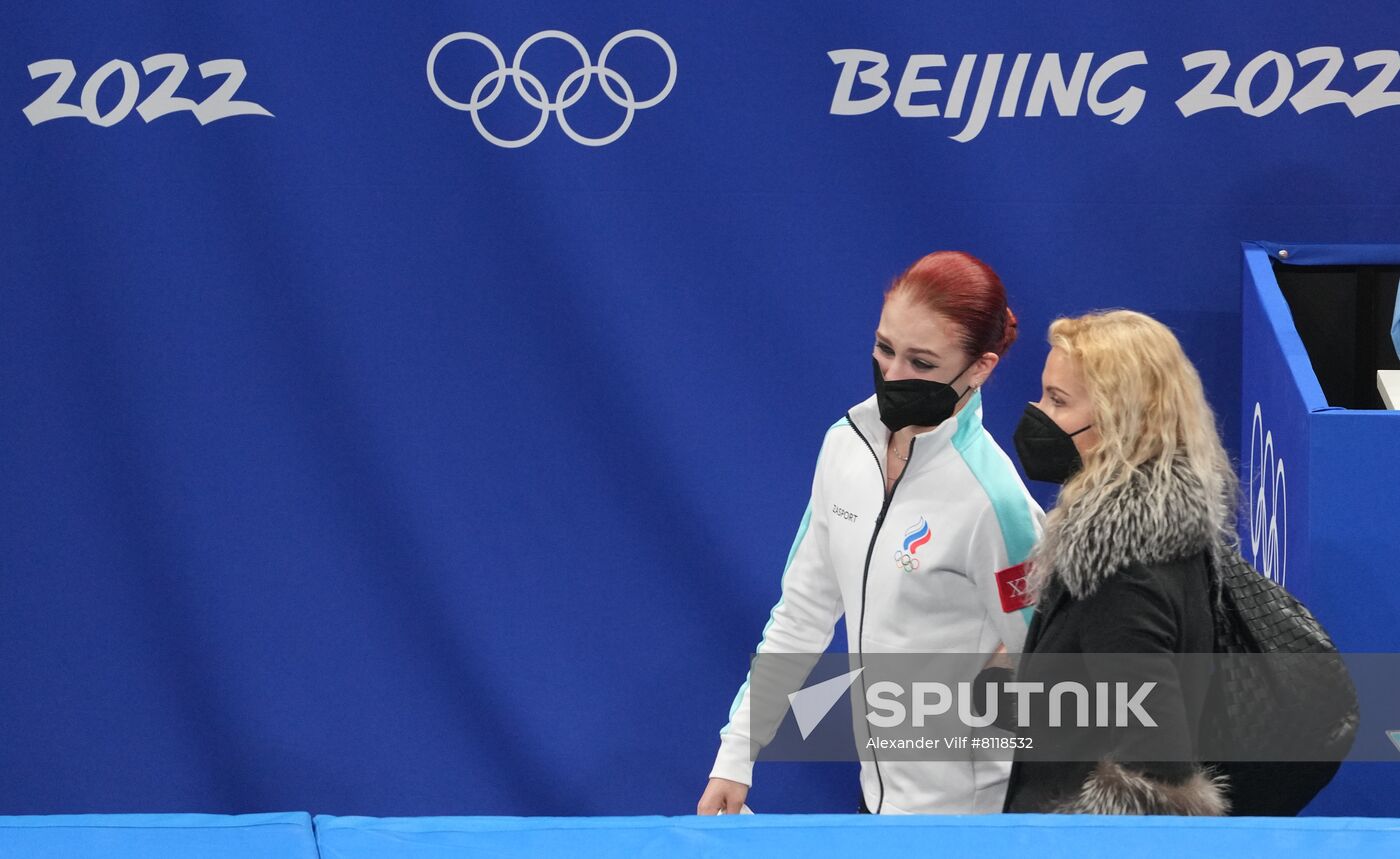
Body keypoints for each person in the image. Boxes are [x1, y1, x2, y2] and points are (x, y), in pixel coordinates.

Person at [698, 251, 1045, 816]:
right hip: (877, 809)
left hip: (972, 823)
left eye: (923, 362)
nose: (894, 375)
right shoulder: (845, 445)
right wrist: (736, 756)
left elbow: (1059, 665)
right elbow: (802, 614)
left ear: (979, 369)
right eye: (885, 349)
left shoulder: (994, 502)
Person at [1000, 309, 1234, 815]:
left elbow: (1157, 771)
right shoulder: (1163, 536)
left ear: (1125, 418)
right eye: (1043, 393)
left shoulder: (1119, 571)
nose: (1038, 413)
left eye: (1058, 401)